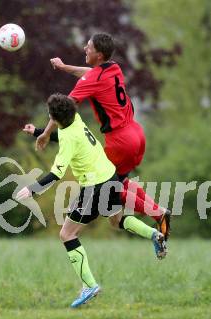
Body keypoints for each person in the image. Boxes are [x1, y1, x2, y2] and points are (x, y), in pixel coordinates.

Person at [17, 94, 167, 308]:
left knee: (67, 234)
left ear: (53, 117)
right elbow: (62, 134)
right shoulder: (76, 120)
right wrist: (38, 132)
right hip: (111, 175)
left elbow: (55, 174)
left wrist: (32, 189)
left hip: (94, 188)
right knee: (116, 221)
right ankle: (154, 234)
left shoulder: (67, 138)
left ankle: (89, 285)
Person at [33, 33, 171, 241]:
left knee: (110, 184)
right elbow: (90, 73)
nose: (84, 49)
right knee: (120, 183)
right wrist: (64, 67)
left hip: (120, 141)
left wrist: (45, 133)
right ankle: (158, 214)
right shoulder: (113, 67)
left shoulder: (91, 79)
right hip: (136, 133)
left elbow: (66, 107)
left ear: (98, 54)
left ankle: (158, 213)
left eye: (88, 47)